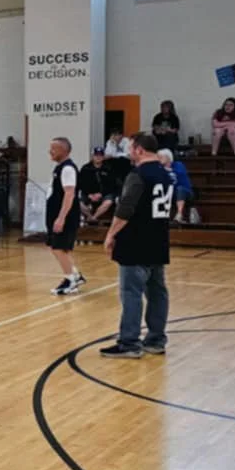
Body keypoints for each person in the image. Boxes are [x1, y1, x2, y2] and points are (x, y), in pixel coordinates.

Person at [101, 133, 172, 359]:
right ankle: (156, 339)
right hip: (158, 239)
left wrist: (111, 234)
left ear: (139, 150)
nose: (128, 151)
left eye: (131, 147)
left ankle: (129, 342)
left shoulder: (138, 174)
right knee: (157, 292)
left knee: (131, 293)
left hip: (135, 241)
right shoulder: (166, 175)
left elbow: (125, 209)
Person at [46, 137, 84, 296]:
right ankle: (75, 275)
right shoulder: (59, 168)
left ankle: (70, 280)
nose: (50, 152)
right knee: (59, 247)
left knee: (58, 248)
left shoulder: (68, 169)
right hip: (55, 213)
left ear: (63, 150)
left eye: (53, 149)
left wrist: (61, 218)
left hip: (65, 215)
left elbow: (69, 194)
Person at [78, 147, 116, 224]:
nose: (98, 157)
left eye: (100, 155)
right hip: (88, 194)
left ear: (103, 157)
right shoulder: (85, 168)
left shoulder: (109, 168)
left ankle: (94, 217)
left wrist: (101, 194)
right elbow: (81, 183)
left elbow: (112, 184)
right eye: (96, 155)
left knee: (108, 202)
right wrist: (89, 194)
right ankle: (89, 216)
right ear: (92, 156)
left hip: (104, 194)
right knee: (78, 203)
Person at [157, 149, 194, 223]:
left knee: (180, 189)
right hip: (170, 193)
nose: (159, 159)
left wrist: (167, 170)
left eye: (161, 157)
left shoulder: (178, 165)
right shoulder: (159, 169)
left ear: (168, 157)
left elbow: (179, 175)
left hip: (186, 192)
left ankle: (179, 214)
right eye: (158, 157)